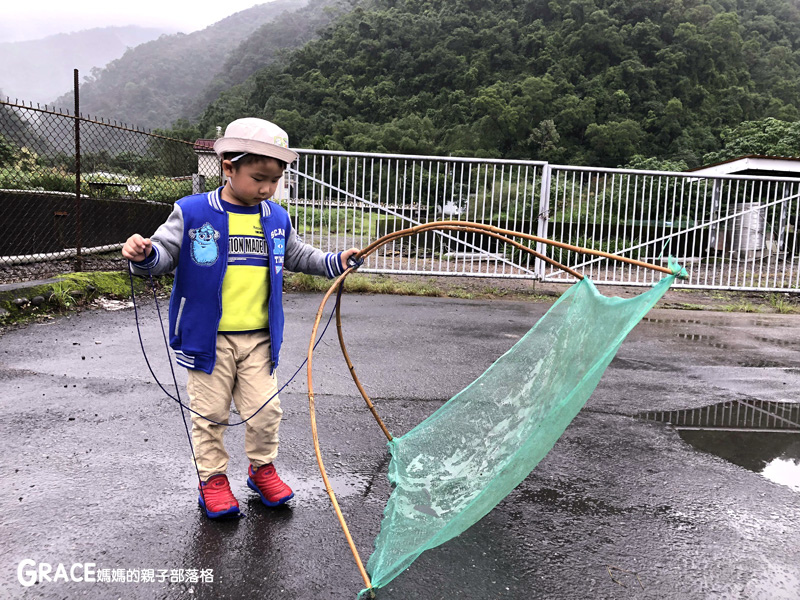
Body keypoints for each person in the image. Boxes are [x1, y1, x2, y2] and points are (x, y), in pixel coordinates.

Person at [122, 117, 359, 519]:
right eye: (259, 177)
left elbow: (298, 255)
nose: (267, 188)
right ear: (228, 167)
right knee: (210, 414)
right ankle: (213, 479)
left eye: (275, 180)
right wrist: (144, 255)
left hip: (260, 339)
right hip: (207, 339)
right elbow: (163, 255)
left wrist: (335, 261)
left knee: (266, 411)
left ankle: (261, 469)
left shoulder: (276, 217)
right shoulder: (193, 211)